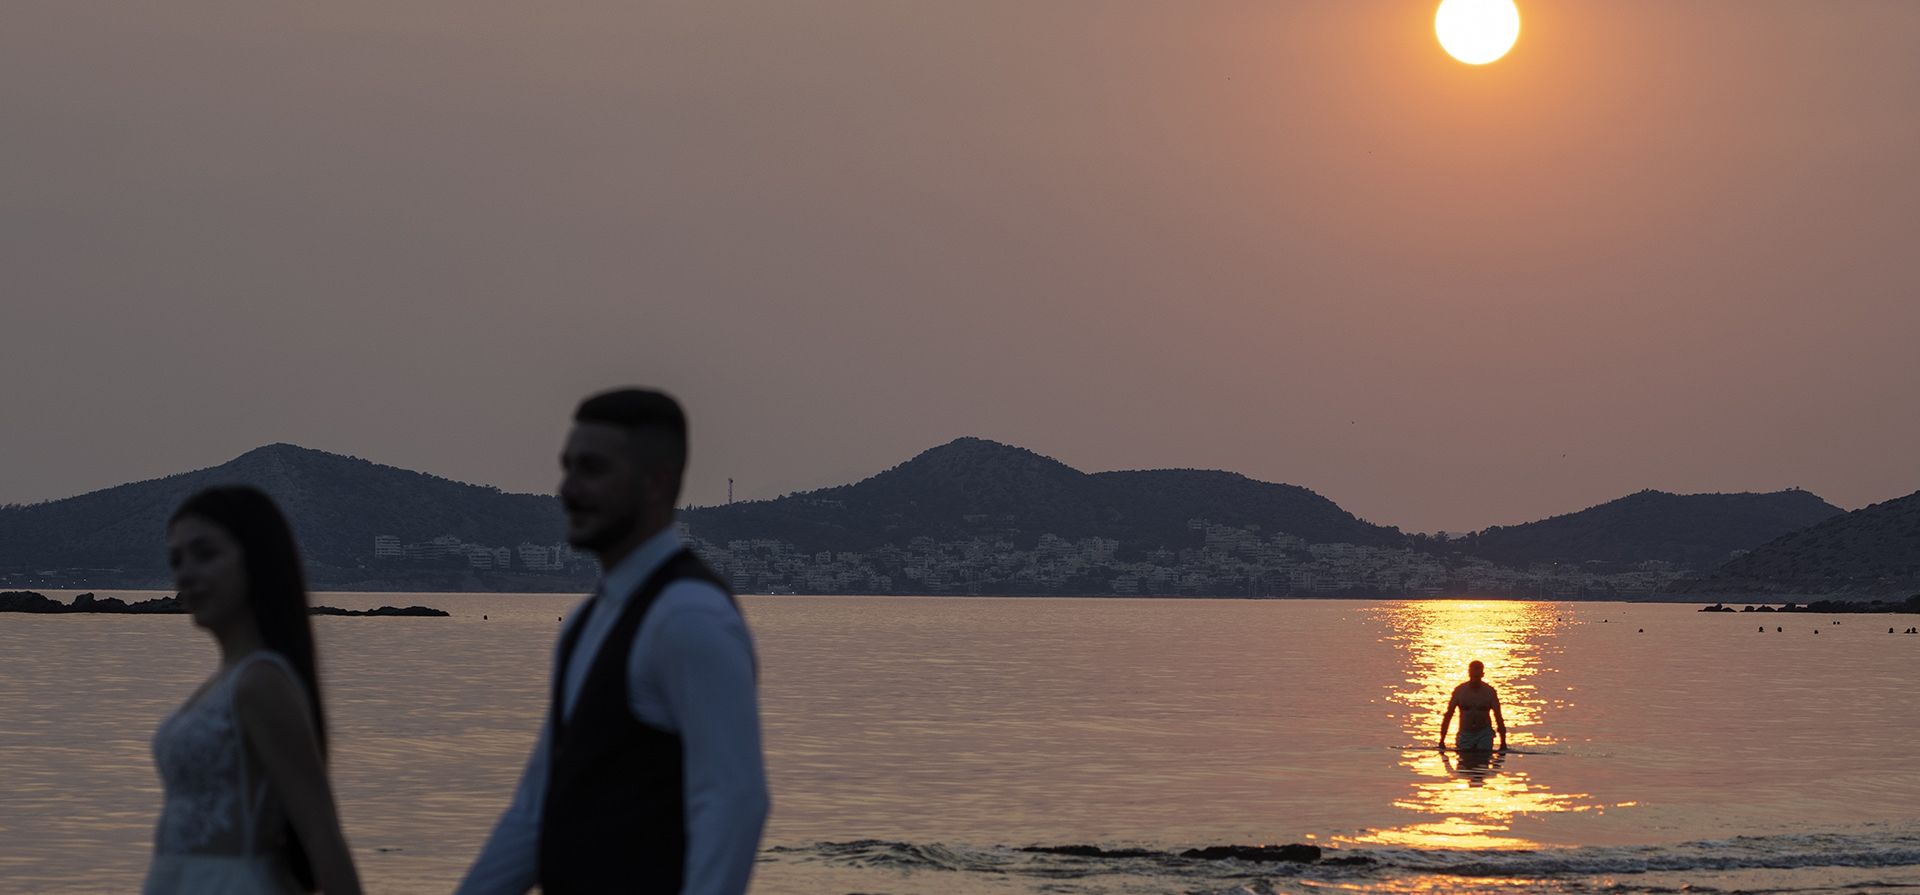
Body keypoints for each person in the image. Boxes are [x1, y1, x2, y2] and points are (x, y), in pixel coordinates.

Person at [459, 388, 768, 895]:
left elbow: (734, 803)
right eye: (568, 467)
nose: (568, 489)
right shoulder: (587, 622)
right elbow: (534, 812)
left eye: (592, 469)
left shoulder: (689, 619)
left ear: (657, 482)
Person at [147, 486, 361, 894]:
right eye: (176, 559)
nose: (185, 573)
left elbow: (321, 834)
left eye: (205, 554)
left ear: (256, 560)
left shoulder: (261, 682)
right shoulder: (224, 683)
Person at [1436, 660, 1506, 753]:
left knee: (1483, 758)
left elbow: (1498, 717)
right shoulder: (1459, 691)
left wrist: (1503, 743)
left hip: (1484, 733)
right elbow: (1448, 715)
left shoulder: (1490, 692)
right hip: (1465, 734)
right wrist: (1442, 740)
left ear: (1482, 674)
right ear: (1469, 674)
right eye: (1473, 676)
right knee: (1464, 761)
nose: (1475, 679)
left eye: (1477, 677)